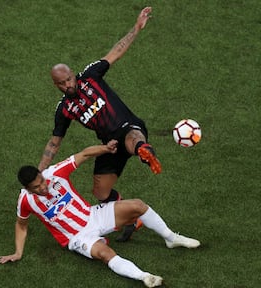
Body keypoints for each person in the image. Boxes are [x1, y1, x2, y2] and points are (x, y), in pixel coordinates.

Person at [0, 141, 201, 287]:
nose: (43, 187)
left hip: (93, 215)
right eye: (37, 187)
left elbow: (84, 154)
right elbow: (21, 225)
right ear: (27, 188)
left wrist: (105, 148)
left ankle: (171, 238)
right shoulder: (25, 200)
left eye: (41, 181)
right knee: (105, 254)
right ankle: (145, 277)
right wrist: (18, 253)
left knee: (137, 205)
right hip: (77, 237)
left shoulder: (55, 173)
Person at [38, 6, 161, 242]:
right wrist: (41, 171)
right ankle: (134, 219)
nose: (68, 85)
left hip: (128, 128)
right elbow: (54, 142)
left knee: (132, 137)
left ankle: (144, 151)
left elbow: (116, 51)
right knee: (100, 192)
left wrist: (136, 28)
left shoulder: (91, 75)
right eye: (62, 84)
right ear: (57, 86)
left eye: (69, 79)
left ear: (74, 74)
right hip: (109, 145)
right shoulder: (64, 110)